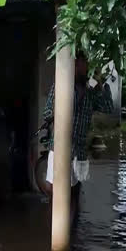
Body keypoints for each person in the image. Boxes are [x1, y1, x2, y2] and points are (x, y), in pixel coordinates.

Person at [43, 54, 114, 186]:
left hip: (79, 152)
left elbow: (108, 108)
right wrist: (57, 108)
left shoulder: (91, 92)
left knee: (76, 192)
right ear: (75, 66)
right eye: (84, 64)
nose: (87, 68)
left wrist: (101, 85)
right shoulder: (61, 85)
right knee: (57, 192)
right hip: (59, 149)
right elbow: (46, 113)